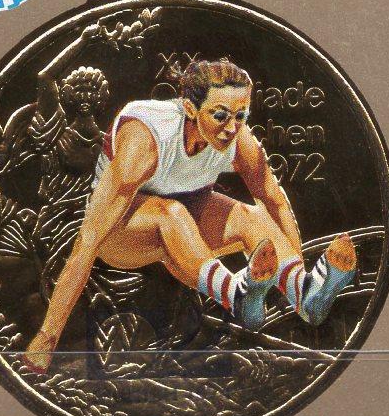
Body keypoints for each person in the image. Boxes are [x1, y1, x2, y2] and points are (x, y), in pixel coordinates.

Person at [22, 59, 355, 372]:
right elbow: (88, 242)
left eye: (240, 115)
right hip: (120, 236)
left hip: (186, 230)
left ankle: (305, 295)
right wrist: (47, 337)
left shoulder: (239, 139)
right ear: (190, 109)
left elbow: (274, 202)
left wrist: (295, 270)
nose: (231, 127)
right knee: (172, 212)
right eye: (220, 115)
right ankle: (236, 294)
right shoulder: (146, 139)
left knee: (252, 217)